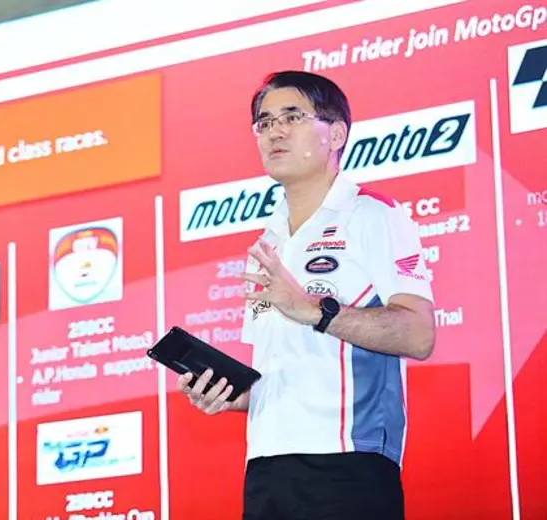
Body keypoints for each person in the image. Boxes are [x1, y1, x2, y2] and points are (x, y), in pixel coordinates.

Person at [176, 70, 436, 519]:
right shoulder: (266, 243)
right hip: (265, 468)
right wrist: (233, 394)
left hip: (347, 462)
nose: (274, 131)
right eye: (264, 122)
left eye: (292, 117)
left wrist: (311, 308)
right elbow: (282, 372)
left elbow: (419, 334)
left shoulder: (372, 215)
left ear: (336, 134)